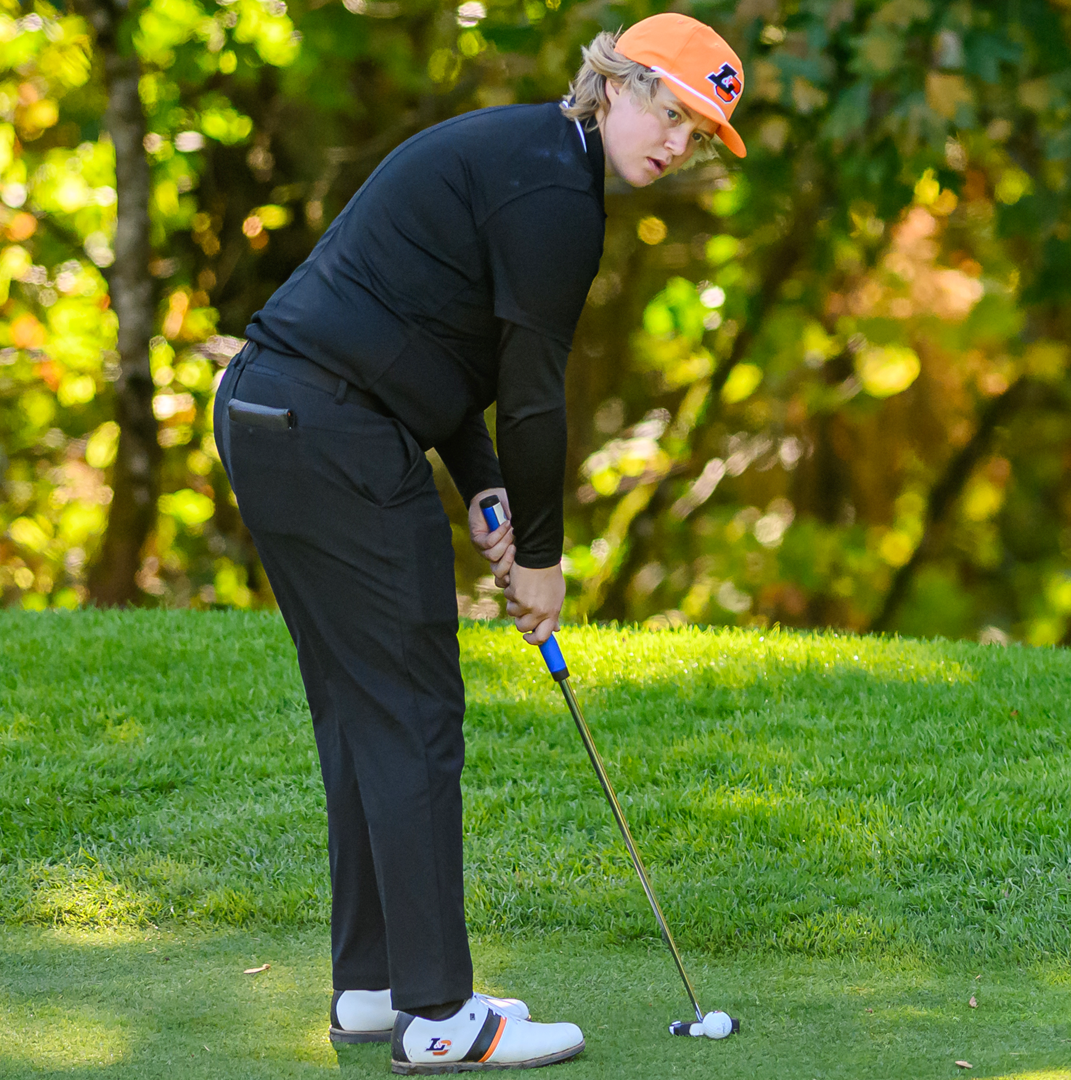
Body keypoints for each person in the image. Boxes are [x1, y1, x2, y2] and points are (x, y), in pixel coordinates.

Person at [211, 14, 747, 1072]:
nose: (678, 143)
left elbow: (435, 330)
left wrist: (484, 482)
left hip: (277, 414)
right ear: (617, 83)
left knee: (366, 712)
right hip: (335, 430)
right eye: (673, 113)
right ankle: (440, 1017)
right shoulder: (556, 195)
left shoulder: (525, 155)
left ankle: (375, 990)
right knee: (414, 713)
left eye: (699, 133)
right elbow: (534, 395)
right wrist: (541, 560)